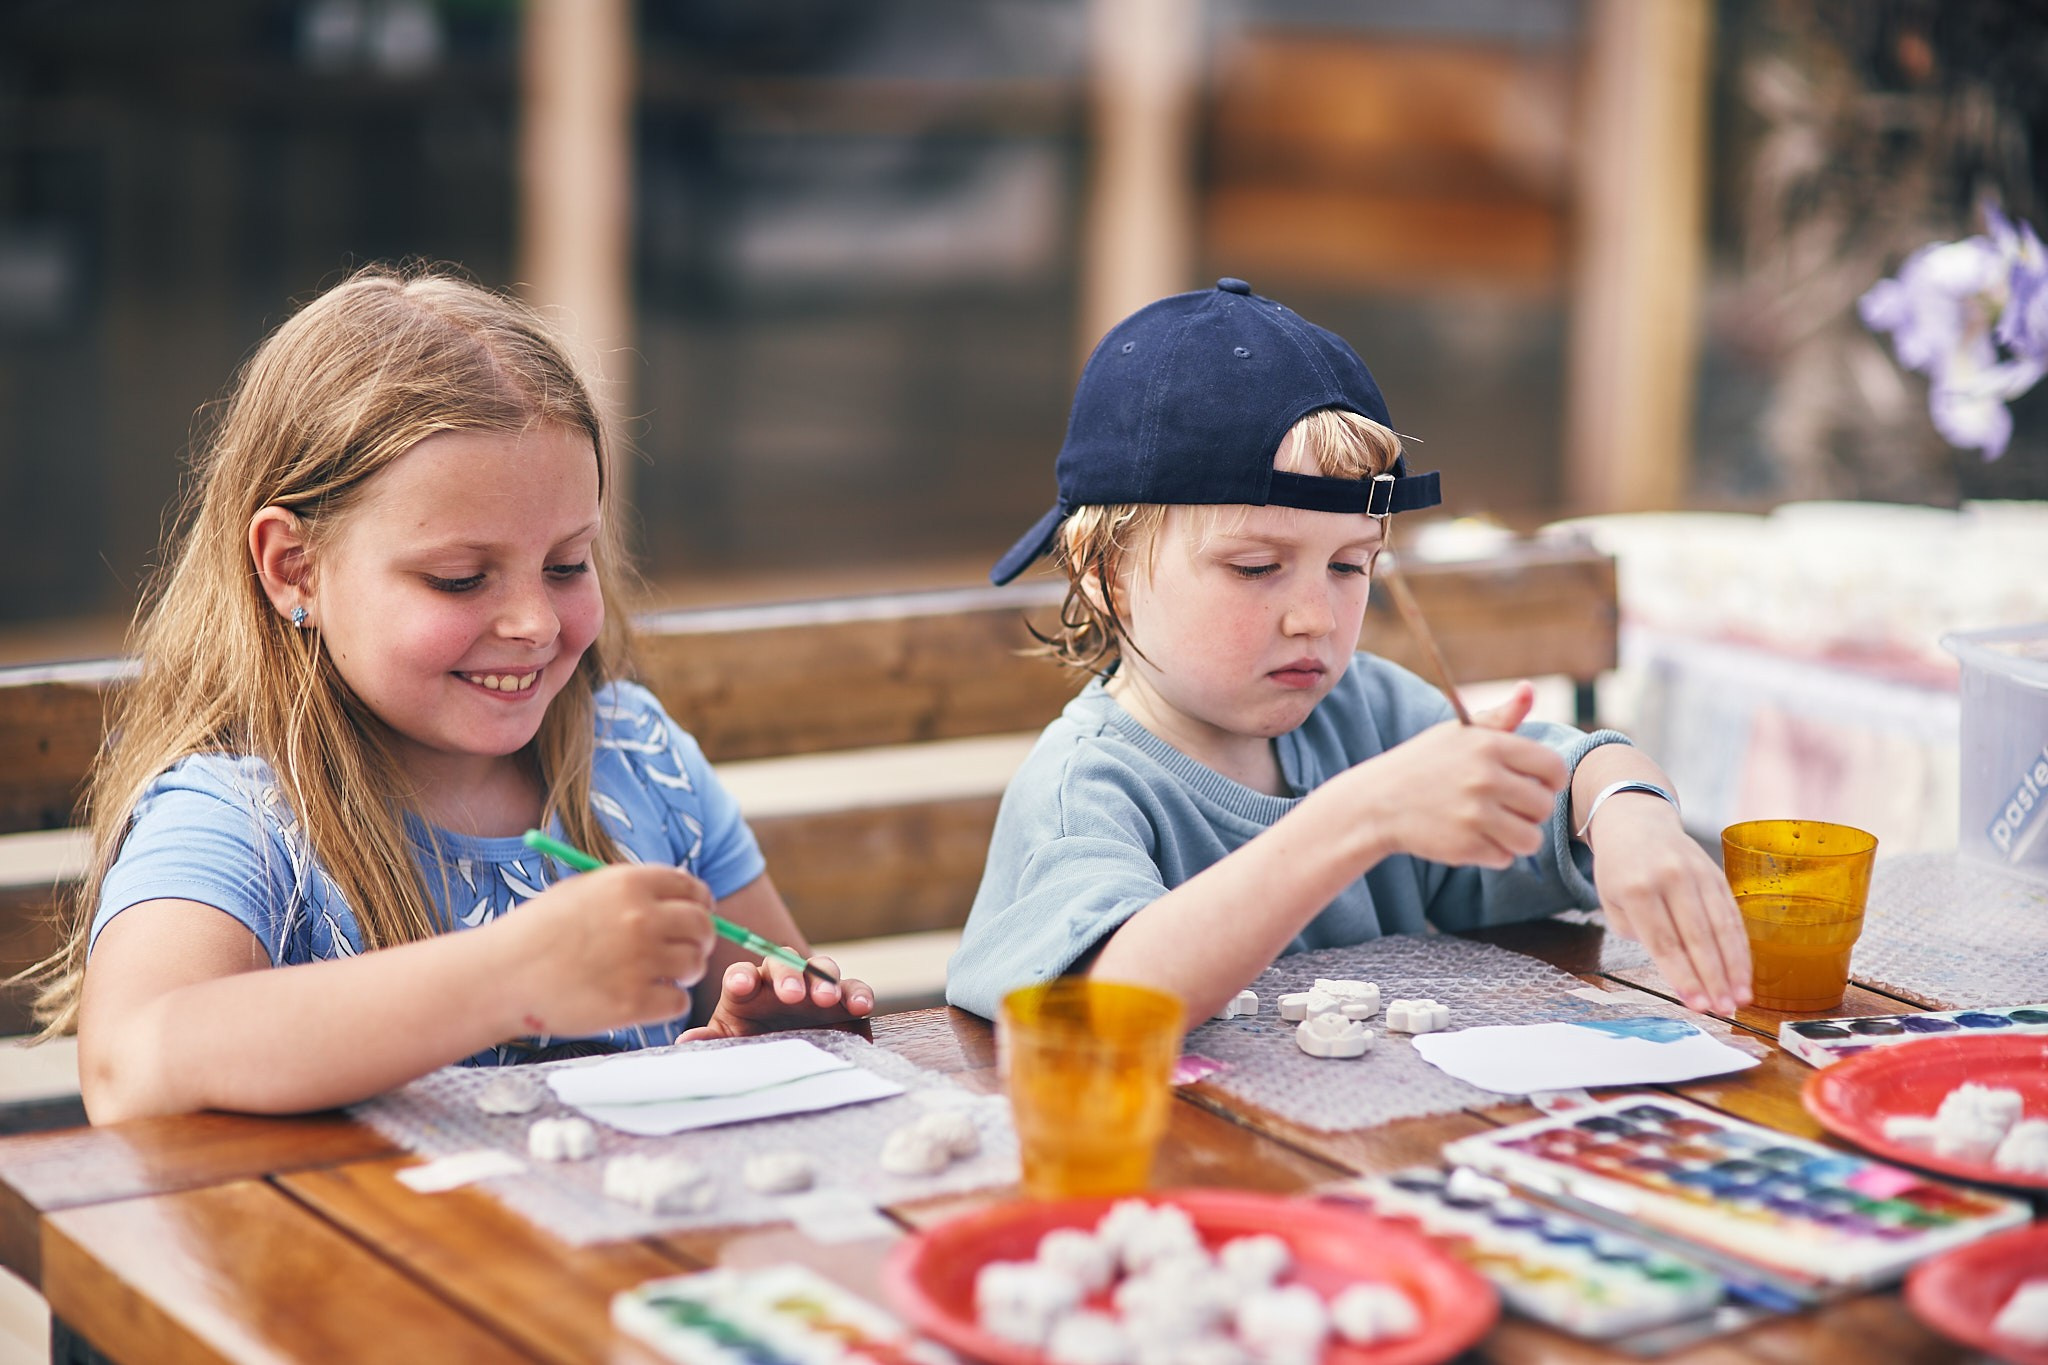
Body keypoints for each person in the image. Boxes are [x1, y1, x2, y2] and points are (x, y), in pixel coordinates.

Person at [32, 265, 872, 1123]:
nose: (535, 622)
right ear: (294, 568)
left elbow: (766, 984)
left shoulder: (637, 761)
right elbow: (131, 1062)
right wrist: (509, 976)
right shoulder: (239, 819)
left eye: (567, 565)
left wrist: (756, 1039)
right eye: (460, 578)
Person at [947, 278, 1750, 1025]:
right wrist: (1364, 815)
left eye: (1349, 565)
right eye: (1256, 567)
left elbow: (1577, 775)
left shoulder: (1364, 710)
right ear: (1106, 576)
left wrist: (1627, 816)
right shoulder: (1081, 789)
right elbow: (1111, 1002)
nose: (1314, 618)